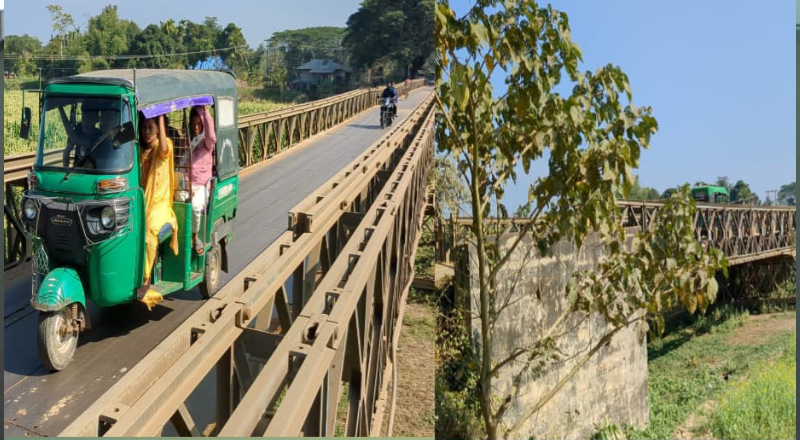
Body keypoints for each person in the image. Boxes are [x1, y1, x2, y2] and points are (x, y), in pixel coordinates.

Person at [138, 112, 179, 308]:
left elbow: (163, 148)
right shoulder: (138, 150)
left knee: (148, 231)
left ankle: (146, 280)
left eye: (151, 128)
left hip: (160, 204)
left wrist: (161, 118)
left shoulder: (166, 146)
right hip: (142, 202)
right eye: (144, 127)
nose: (147, 132)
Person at [187, 105, 217, 255]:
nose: (196, 128)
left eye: (199, 124)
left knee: (194, 206)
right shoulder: (186, 143)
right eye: (193, 124)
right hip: (185, 185)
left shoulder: (207, 143)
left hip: (201, 185)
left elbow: (212, 135)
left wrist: (204, 110)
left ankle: (195, 236)